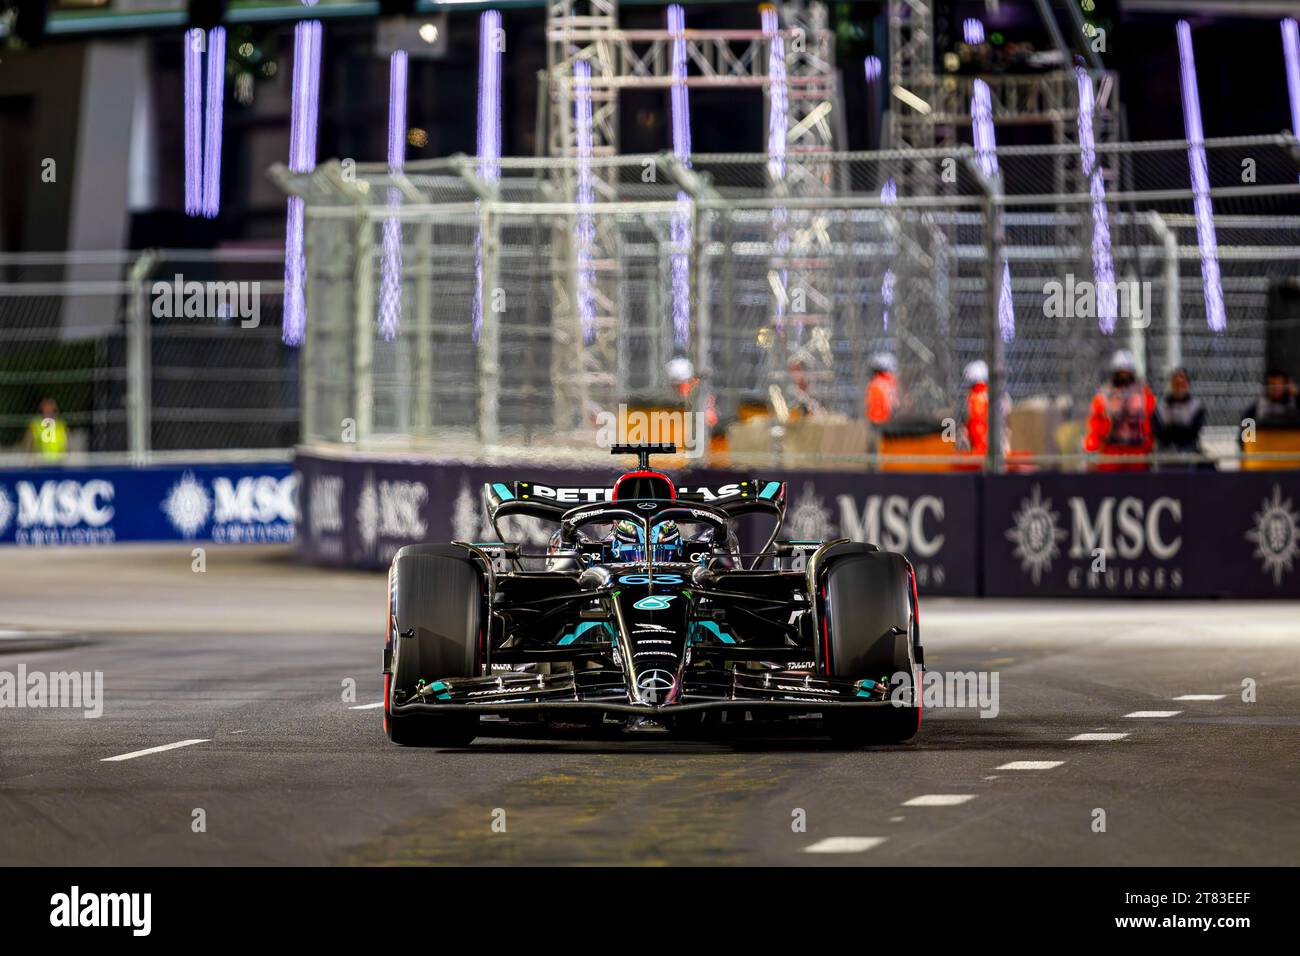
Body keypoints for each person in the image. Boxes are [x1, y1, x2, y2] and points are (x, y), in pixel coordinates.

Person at [1083, 350, 1156, 471]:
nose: (1124, 377)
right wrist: (1092, 449)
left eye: (1127, 373)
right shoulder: (1105, 395)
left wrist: (1149, 447)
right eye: (1121, 373)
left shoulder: (1143, 394)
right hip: (1111, 450)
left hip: (1136, 451)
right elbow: (1096, 426)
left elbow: (1150, 423)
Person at [1153, 367, 1206, 464]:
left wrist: (1173, 427)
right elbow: (1160, 434)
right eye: (1176, 384)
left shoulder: (1196, 406)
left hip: (1189, 450)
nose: (1179, 388)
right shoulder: (1161, 407)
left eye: (1182, 383)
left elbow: (1192, 433)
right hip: (1165, 451)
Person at [22, 396, 68, 461]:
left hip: (59, 462)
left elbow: (66, 445)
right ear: (42, 408)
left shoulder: (61, 425)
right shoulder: (35, 425)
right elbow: (28, 446)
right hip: (40, 463)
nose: (49, 410)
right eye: (47, 407)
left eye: (51, 407)